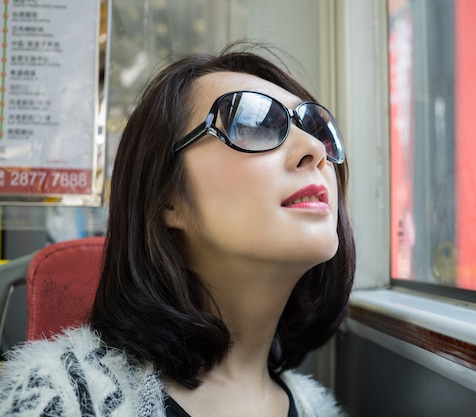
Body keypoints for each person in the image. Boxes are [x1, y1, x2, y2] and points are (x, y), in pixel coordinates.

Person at [0, 44, 355, 417]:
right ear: (167, 198)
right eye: (253, 124)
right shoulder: (61, 401)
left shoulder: (318, 410)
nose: (315, 149)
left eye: (320, 129)